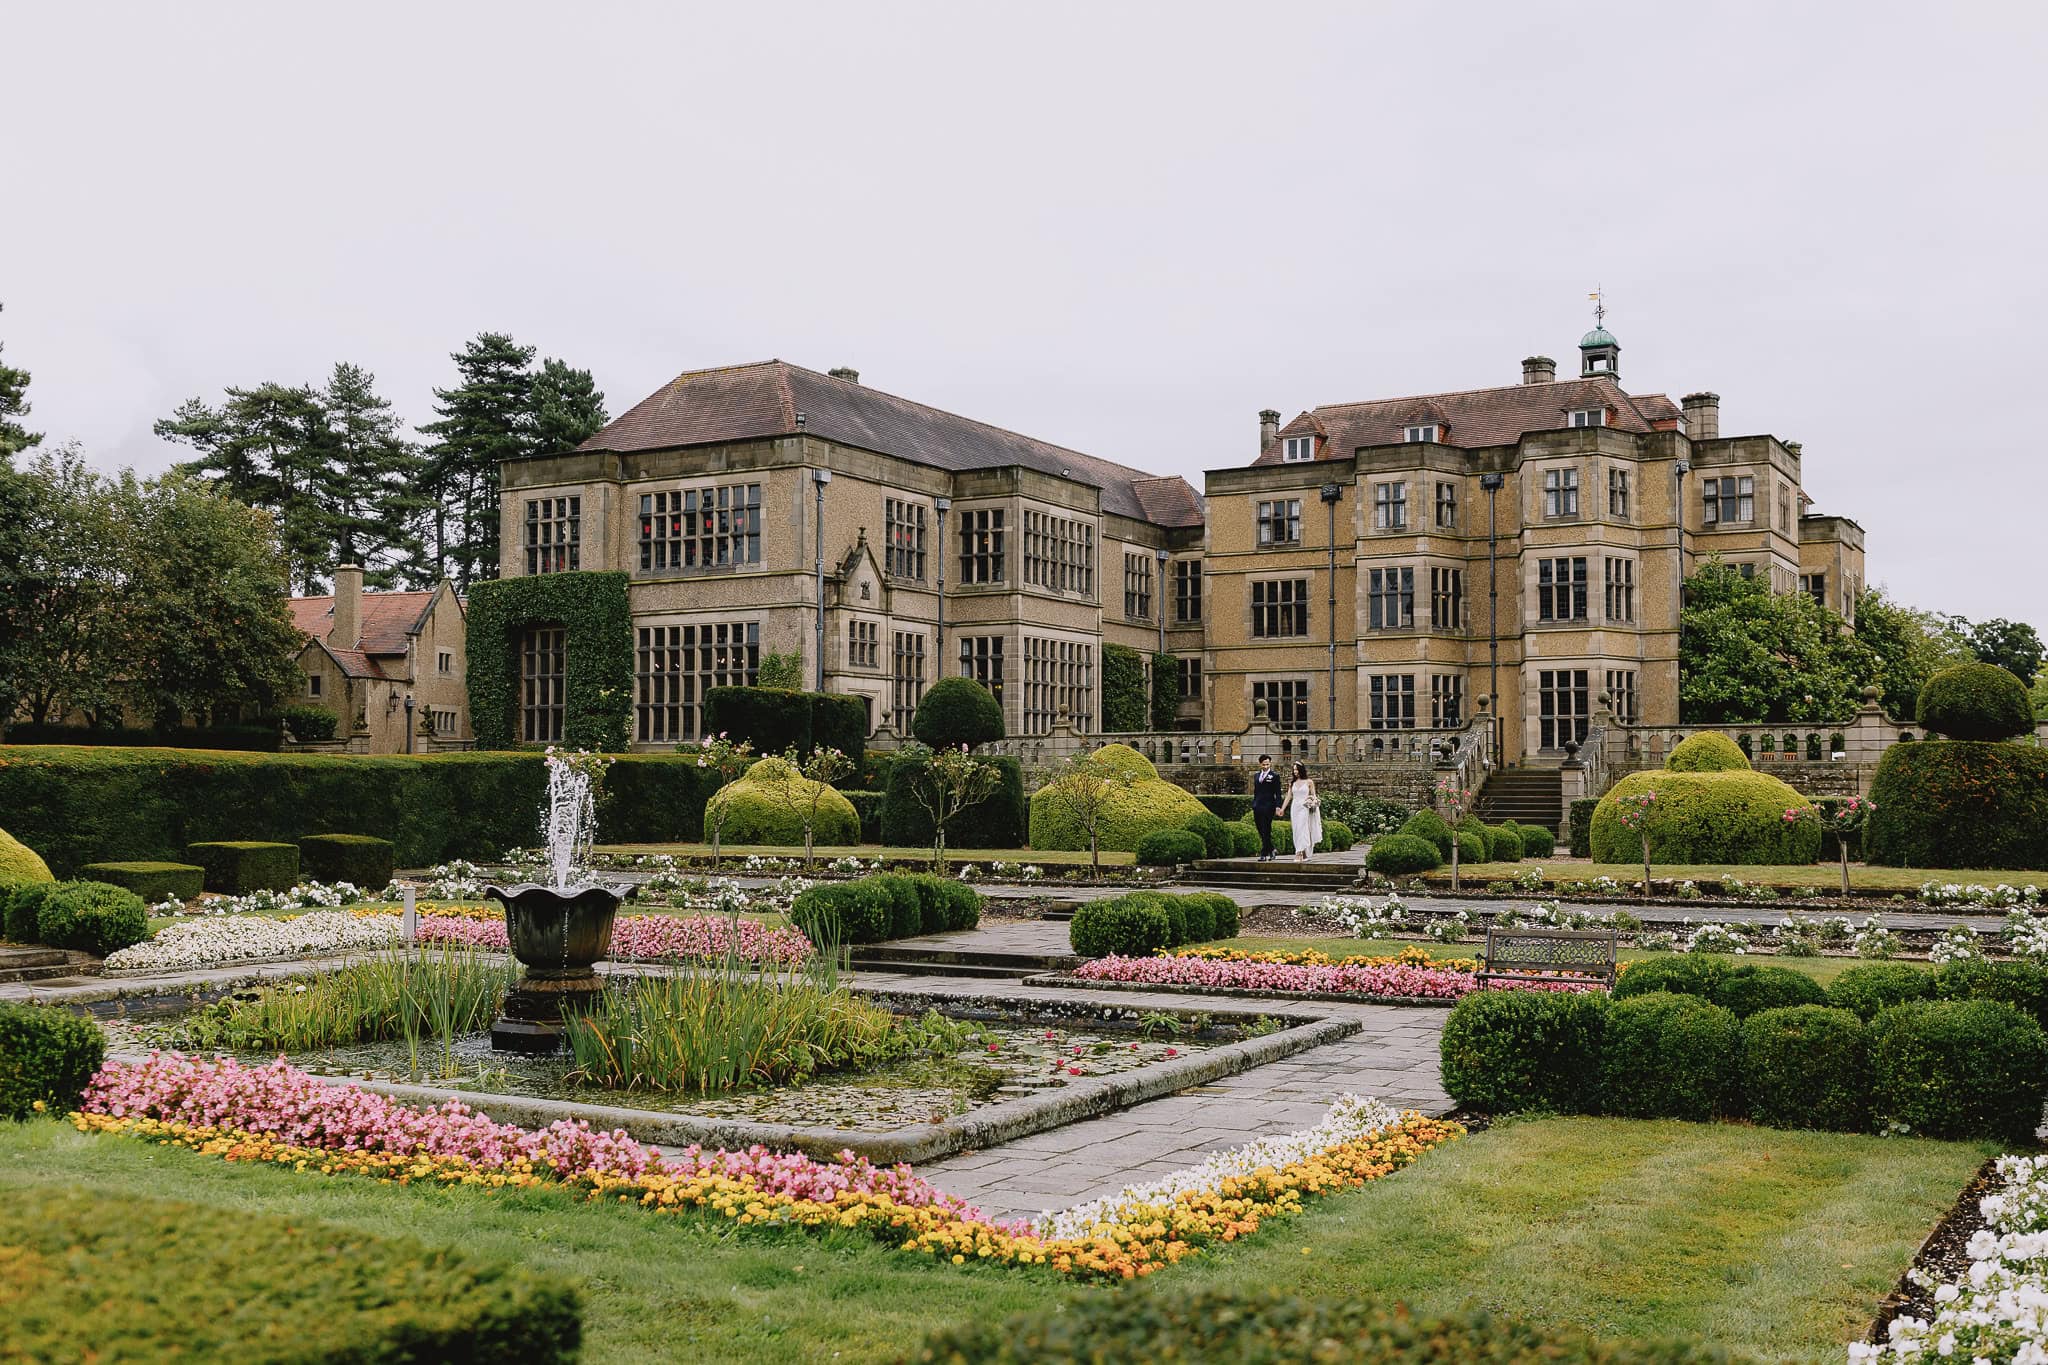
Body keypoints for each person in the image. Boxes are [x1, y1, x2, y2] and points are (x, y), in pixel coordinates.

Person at [1278, 761, 1322, 861]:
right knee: (1296, 829)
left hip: (1304, 807)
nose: (1295, 772)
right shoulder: (1292, 783)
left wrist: (1313, 803)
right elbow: (1288, 797)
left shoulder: (1309, 782)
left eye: (1296, 769)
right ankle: (1304, 853)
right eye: (1293, 770)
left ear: (1301, 770)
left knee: (1302, 828)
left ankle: (1299, 852)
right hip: (1295, 807)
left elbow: (1313, 796)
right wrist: (1282, 809)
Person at [1250, 754, 1283, 861]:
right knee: (1260, 829)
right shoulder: (1256, 776)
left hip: (1269, 806)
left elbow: (1278, 793)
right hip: (1257, 806)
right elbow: (1256, 792)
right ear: (1260, 764)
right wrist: (1254, 803)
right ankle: (1272, 849)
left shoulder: (1274, 776)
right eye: (1264, 764)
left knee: (1266, 829)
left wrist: (1278, 806)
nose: (1266, 766)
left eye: (1268, 764)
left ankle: (1263, 853)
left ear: (1270, 764)